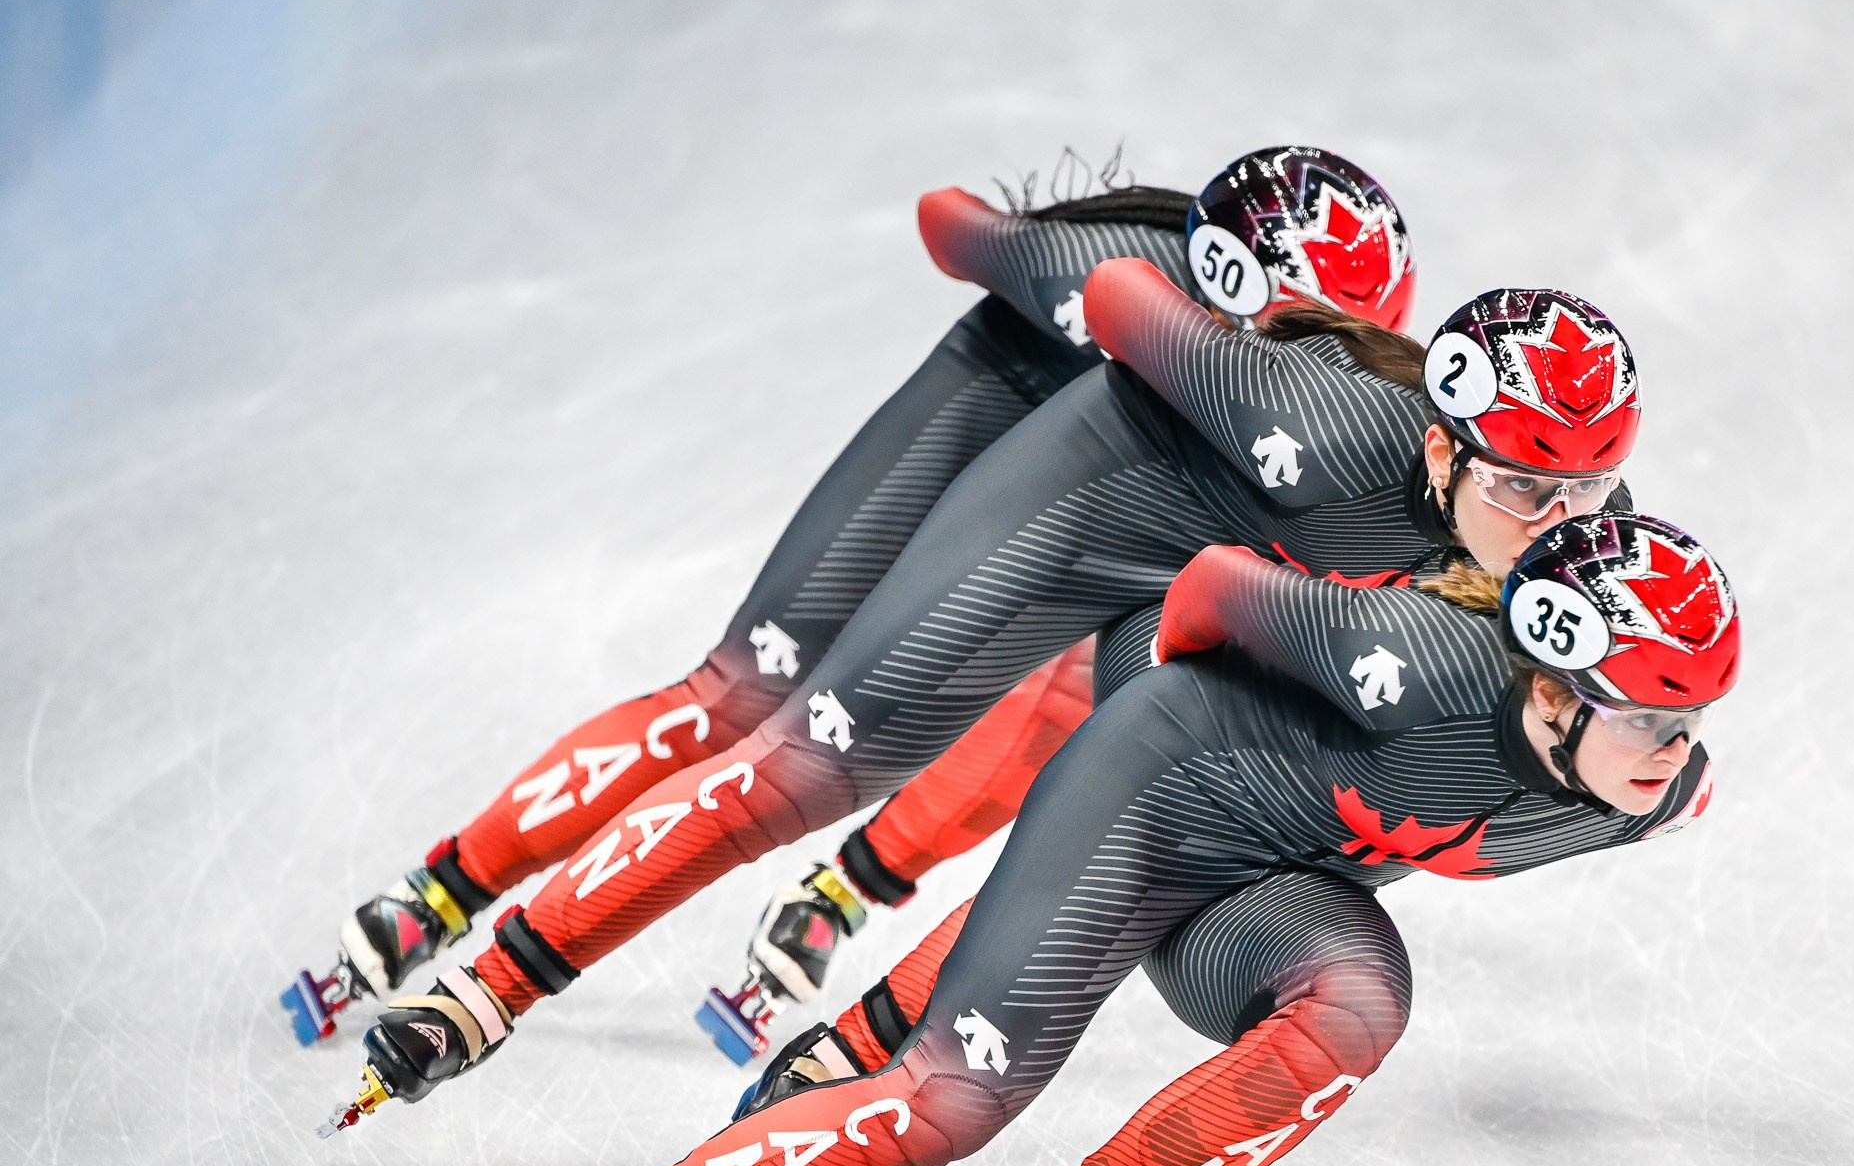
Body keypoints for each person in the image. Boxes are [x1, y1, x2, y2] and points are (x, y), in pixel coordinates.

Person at [399, 507, 1738, 1166]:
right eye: (1653, 717)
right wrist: (1179, 729)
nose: (1675, 749)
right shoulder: (1419, 659)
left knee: (1360, 1003)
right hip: (1150, 795)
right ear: (1551, 687)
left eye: (1689, 718)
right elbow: (1202, 595)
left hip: (1266, 882)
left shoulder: (1652, 791)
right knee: (947, 1106)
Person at [331, 277, 1657, 1134]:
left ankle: (858, 1033)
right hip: (1072, 524)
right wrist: (1212, 334)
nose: (1557, 519)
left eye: (1588, 490)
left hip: (1203, 605)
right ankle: (488, 984)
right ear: (1439, 444)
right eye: (1524, 487)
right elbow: (1126, 297)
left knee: (1165, 834)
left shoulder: (1574, 568)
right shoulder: (1314, 420)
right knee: (807, 762)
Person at [281, 146, 1418, 1054]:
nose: (1315, 371)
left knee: (1094, 705)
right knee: (739, 699)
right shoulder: (1124, 270)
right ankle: (447, 887)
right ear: (1228, 283)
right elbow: (947, 221)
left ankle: (852, 883)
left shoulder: (1298, 403)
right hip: (962, 443)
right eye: (1302, 336)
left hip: (1092, 514)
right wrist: (1050, 272)